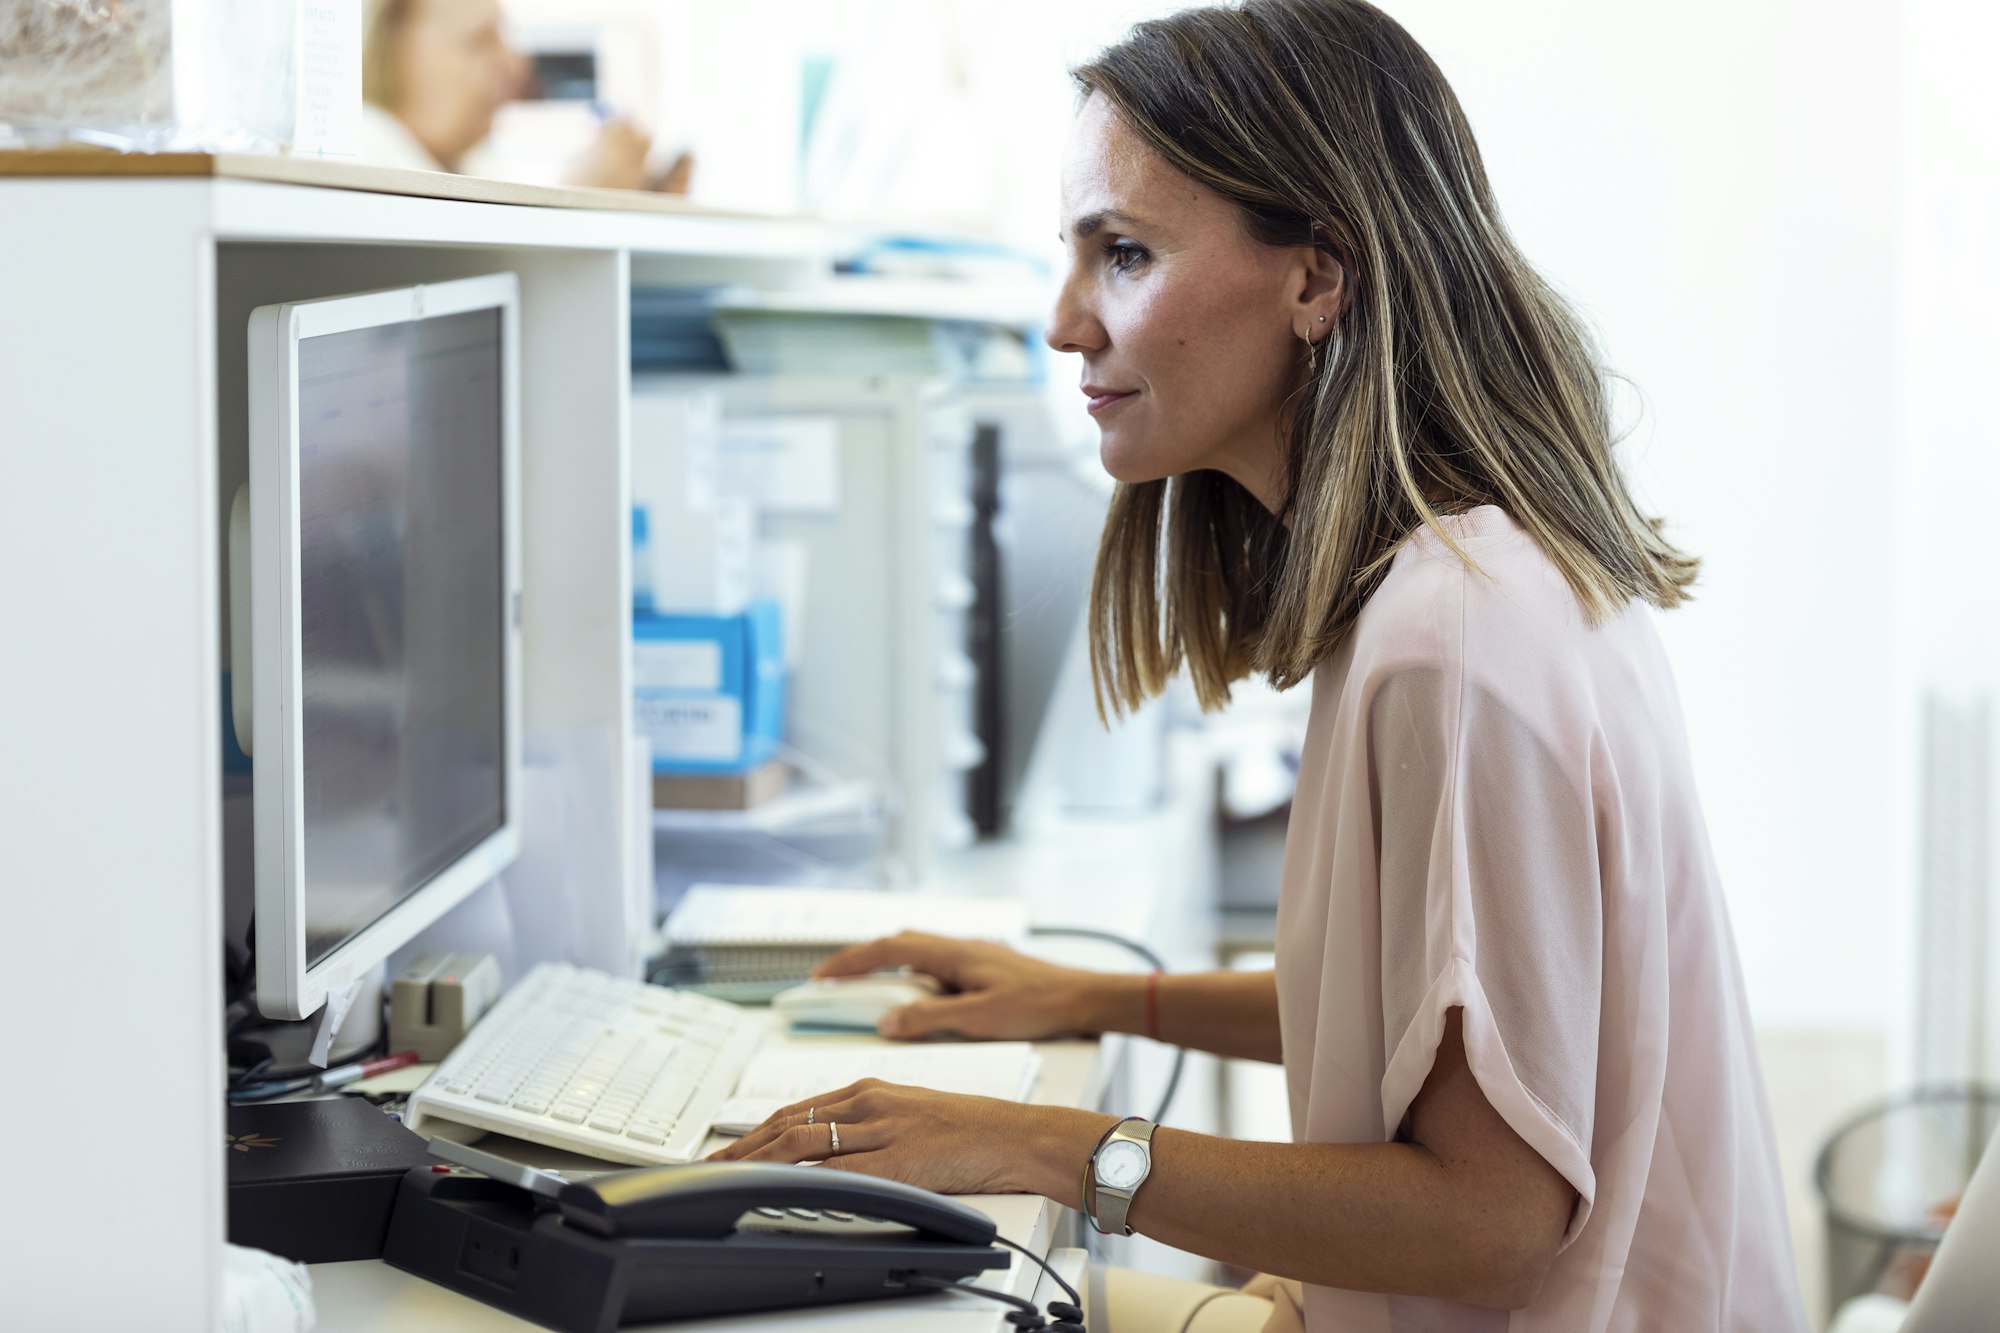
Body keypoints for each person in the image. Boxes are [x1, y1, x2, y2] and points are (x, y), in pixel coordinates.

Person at [711, 1, 1808, 1329]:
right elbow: (1429, 1026)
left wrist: (1041, 1144)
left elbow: (1492, 1217)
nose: (1065, 324)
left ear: (1316, 278)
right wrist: (1094, 996)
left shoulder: (1451, 641)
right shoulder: (1474, 578)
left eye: (1123, 254)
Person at [358, 0, 691, 192]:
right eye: (479, 40)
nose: (515, 64)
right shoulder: (363, 161)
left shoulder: (477, 164)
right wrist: (577, 199)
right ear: (388, 52)